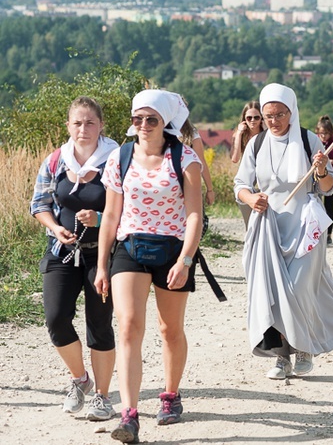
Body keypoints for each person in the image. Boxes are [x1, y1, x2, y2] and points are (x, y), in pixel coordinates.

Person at [95, 90, 203, 444]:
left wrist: (186, 260)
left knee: (170, 329)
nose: (142, 125)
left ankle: (170, 396)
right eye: (137, 118)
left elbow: (193, 215)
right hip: (129, 248)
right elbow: (111, 215)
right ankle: (129, 414)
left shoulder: (185, 159)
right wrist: (101, 265)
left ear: (165, 122)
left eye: (151, 119)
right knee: (127, 326)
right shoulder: (119, 157)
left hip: (173, 250)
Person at [234, 83, 333, 381]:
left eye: (280, 114)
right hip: (269, 227)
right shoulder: (256, 144)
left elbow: (329, 187)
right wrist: (251, 198)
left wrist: (322, 171)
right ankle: (282, 357)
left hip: (305, 227)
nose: (274, 121)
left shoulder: (309, 140)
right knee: (272, 292)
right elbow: (240, 185)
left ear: (292, 111)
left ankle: (305, 347)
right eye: (268, 115)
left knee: (298, 288)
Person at [30, 96, 118, 422]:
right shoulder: (56, 161)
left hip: (104, 255)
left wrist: (99, 216)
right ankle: (80, 379)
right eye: (77, 123)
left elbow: (131, 210)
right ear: (68, 126)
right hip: (62, 253)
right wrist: (54, 228)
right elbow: (38, 204)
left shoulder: (117, 160)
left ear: (101, 126)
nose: (83, 129)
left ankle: (103, 397)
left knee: (99, 324)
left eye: (90, 122)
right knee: (55, 319)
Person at [231, 101, 264, 228]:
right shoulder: (239, 135)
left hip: (263, 177)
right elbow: (235, 158)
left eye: (256, 117)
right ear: (244, 119)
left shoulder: (267, 135)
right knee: (249, 220)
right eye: (249, 118)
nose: (253, 120)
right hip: (247, 178)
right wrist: (239, 134)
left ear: (261, 118)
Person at [180, 118, 216, 206]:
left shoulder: (191, 134)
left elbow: (201, 161)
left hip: (189, 185)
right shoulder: (161, 132)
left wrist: (210, 189)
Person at [316, 115, 333, 245]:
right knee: (317, 205)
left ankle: (329, 234)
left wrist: (328, 162)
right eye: (321, 133)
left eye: (326, 133)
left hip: (332, 177)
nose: (323, 136)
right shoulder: (315, 141)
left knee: (329, 205)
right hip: (317, 177)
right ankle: (318, 231)